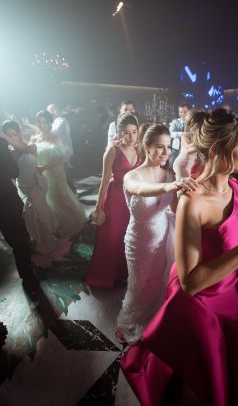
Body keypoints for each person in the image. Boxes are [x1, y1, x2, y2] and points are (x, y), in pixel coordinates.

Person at [120, 110, 238, 406]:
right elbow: (191, 282)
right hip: (201, 308)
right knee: (202, 383)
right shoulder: (192, 202)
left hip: (234, 300)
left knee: (232, 375)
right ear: (221, 148)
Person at [115, 123, 198, 344]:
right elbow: (141, 190)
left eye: (169, 147)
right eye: (160, 147)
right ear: (147, 146)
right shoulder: (132, 176)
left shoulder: (170, 174)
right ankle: (129, 322)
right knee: (139, 284)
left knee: (158, 282)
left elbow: (172, 209)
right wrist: (169, 187)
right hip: (138, 242)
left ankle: (153, 322)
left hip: (163, 238)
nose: (166, 152)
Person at [84, 114, 141, 287]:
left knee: (127, 236)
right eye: (126, 133)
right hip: (115, 198)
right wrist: (98, 208)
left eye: (134, 132)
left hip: (131, 199)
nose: (130, 137)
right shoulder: (112, 150)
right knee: (112, 237)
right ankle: (105, 275)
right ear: (119, 133)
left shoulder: (138, 149)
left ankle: (123, 272)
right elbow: (103, 181)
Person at [1, 120, 59, 257]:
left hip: (36, 185)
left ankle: (48, 239)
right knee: (30, 217)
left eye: (14, 134)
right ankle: (41, 241)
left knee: (41, 213)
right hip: (22, 188)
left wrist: (5, 138)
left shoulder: (31, 146)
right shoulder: (8, 153)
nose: (11, 138)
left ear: (19, 133)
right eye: (9, 135)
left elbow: (24, 150)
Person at [33, 110, 86, 240]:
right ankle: (55, 226)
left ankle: (71, 225)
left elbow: (62, 158)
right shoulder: (36, 137)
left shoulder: (54, 137)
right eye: (39, 122)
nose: (41, 125)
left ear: (50, 123)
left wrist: (44, 167)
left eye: (44, 122)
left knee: (60, 200)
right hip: (41, 175)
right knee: (48, 202)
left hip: (54, 174)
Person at [0, 136, 39, 300]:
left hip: (6, 201)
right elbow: (13, 171)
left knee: (19, 241)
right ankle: (28, 277)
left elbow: (14, 171)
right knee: (18, 241)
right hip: (6, 202)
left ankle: (27, 276)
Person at [47, 102, 75, 192]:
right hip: (58, 151)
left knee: (65, 171)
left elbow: (54, 133)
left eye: (51, 110)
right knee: (61, 172)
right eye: (49, 111)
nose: (50, 113)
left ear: (56, 110)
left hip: (64, 150)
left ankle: (72, 191)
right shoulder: (54, 122)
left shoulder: (61, 121)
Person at [169, 103, 190, 167]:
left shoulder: (191, 122)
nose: (183, 114)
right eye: (180, 112)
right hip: (176, 149)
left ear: (189, 112)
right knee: (171, 166)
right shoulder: (175, 122)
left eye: (185, 112)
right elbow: (170, 134)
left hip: (187, 150)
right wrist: (182, 134)